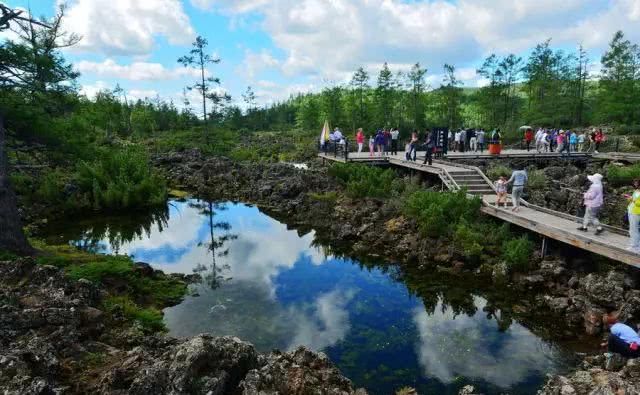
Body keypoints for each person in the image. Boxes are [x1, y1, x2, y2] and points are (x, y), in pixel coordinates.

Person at [625, 179, 640, 253]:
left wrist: (633, 200)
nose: (635, 184)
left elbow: (638, 203)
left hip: (636, 212)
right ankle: (635, 245)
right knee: (632, 229)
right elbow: (633, 200)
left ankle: (635, 246)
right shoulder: (636, 191)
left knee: (634, 229)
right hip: (631, 210)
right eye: (634, 183)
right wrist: (629, 198)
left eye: (636, 183)